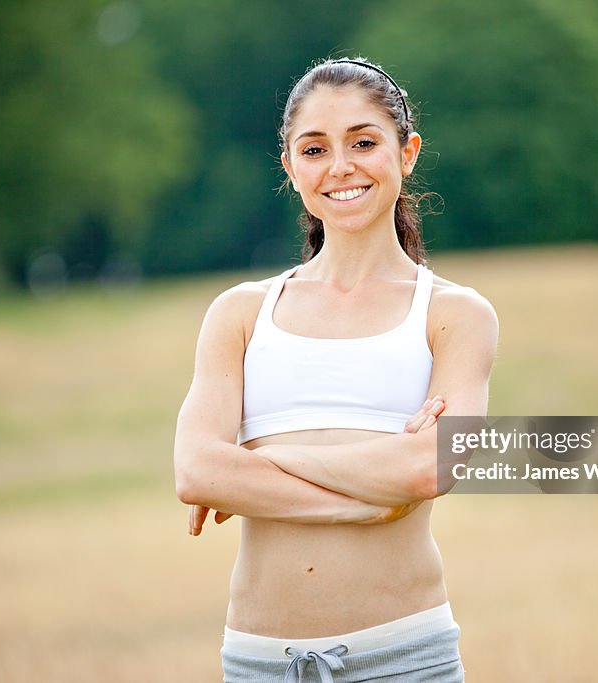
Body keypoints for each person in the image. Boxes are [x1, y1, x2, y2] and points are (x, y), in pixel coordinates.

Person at [174, 57, 498, 682]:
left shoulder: (454, 314)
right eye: (315, 148)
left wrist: (252, 466)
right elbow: (195, 471)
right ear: (290, 167)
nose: (341, 166)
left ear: (407, 153)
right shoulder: (240, 313)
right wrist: (369, 501)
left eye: (364, 142)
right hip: (258, 663)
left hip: (406, 658)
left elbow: (434, 465)